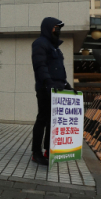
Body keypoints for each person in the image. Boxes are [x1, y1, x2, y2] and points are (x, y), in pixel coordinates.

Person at [31, 17, 72, 166]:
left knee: (53, 121)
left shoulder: (55, 47)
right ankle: (36, 153)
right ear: (48, 28)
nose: (58, 30)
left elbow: (59, 70)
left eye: (58, 28)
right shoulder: (40, 44)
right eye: (55, 27)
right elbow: (40, 65)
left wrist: (67, 85)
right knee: (43, 119)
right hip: (45, 89)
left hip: (58, 88)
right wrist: (47, 82)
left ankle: (49, 150)